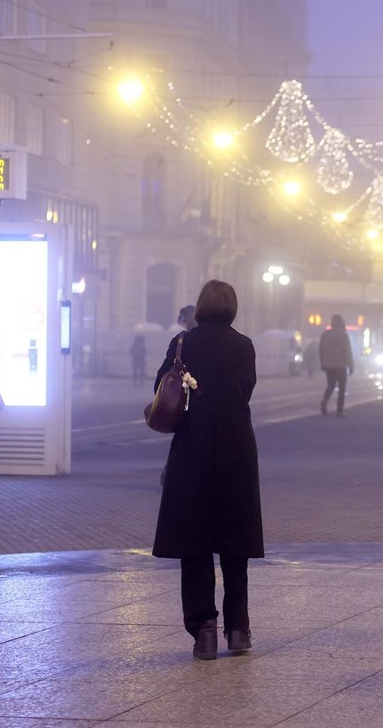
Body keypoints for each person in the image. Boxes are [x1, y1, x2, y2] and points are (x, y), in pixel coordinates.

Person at [152, 280, 263, 660]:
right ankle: (239, 629)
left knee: (194, 543)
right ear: (233, 307)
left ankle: (204, 631)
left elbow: (160, 389)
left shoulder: (184, 343)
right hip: (236, 450)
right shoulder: (244, 345)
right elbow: (245, 389)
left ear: (199, 307)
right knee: (236, 544)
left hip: (193, 450)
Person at [318, 314, 353, 417]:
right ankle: (339, 411)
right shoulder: (343, 335)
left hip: (329, 365)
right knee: (341, 388)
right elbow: (348, 351)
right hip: (341, 365)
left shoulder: (325, 335)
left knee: (330, 385)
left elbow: (321, 350)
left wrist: (322, 363)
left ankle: (325, 400)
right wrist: (350, 365)